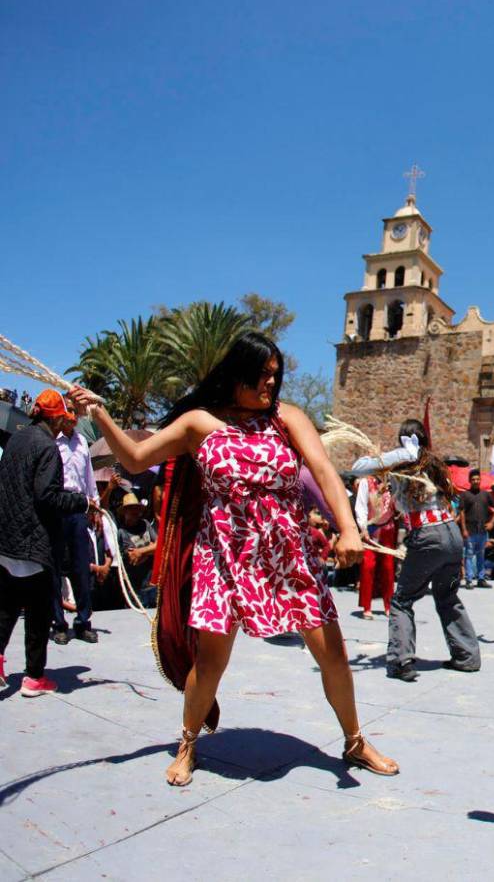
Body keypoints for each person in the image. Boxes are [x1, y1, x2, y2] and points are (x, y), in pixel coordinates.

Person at [70, 333, 397, 784]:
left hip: (288, 558)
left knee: (334, 657)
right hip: (223, 557)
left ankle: (355, 742)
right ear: (236, 372)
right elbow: (135, 457)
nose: (270, 384)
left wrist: (347, 528)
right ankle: (187, 744)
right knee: (210, 664)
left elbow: (323, 470)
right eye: (262, 374)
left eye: (275, 376)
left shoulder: (287, 418)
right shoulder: (198, 423)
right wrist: (101, 414)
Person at [352, 420, 481, 683]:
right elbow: (389, 512)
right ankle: (467, 656)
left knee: (402, 600)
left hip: (427, 537)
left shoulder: (401, 467)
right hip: (451, 535)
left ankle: (401, 661)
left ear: (403, 441)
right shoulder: (434, 467)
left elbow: (359, 468)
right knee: (447, 596)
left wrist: (398, 454)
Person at [0, 390, 89, 695]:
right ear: (55, 417)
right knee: (38, 613)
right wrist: (82, 503)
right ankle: (34, 677)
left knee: (7, 606)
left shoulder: (15, 439)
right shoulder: (47, 447)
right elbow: (46, 495)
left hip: (7, 538)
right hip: (33, 541)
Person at [50, 410, 101, 645]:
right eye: (68, 412)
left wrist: (95, 506)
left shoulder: (81, 441)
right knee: (55, 567)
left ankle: (83, 622)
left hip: (80, 507)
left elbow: (89, 476)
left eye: (75, 414)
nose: (73, 417)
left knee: (82, 566)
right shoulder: (52, 440)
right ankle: (58, 623)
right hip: (58, 506)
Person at [353, 472, 396, 619]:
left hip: (387, 529)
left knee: (388, 567)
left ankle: (389, 605)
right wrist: (363, 527)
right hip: (370, 529)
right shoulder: (367, 482)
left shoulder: (393, 482)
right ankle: (367, 606)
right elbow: (361, 506)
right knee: (367, 566)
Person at [114, 492, 159, 609]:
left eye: (136, 508)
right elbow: (133, 558)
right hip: (135, 588)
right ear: (125, 512)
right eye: (131, 509)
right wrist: (150, 549)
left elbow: (160, 546)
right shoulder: (122, 533)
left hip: (152, 582)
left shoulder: (145, 524)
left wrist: (141, 551)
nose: (135, 512)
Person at [458, 469, 494, 588]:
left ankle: (481, 579)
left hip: (482, 530)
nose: (476, 481)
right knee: (469, 554)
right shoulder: (465, 495)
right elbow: (461, 513)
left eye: (477, 479)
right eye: (473, 479)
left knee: (481, 555)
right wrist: (464, 529)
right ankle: (469, 580)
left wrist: (492, 522)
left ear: (480, 480)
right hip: (470, 530)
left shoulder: (486, 494)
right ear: (470, 481)